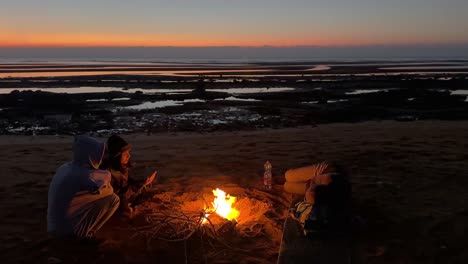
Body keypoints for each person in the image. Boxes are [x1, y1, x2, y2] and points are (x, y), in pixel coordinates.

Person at [47, 136, 119, 239]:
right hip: (67, 231)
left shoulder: (65, 168)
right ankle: (88, 234)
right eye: (101, 154)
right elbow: (109, 190)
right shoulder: (87, 176)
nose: (103, 157)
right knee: (113, 199)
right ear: (92, 155)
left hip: (53, 227)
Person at [100, 135, 156, 217]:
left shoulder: (122, 166)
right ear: (117, 156)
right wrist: (133, 189)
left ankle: (132, 206)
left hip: (125, 195)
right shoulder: (108, 173)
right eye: (125, 154)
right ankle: (129, 211)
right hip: (117, 201)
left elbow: (127, 180)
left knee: (145, 190)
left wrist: (140, 182)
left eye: (129, 153)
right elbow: (112, 195)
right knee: (125, 207)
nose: (128, 156)